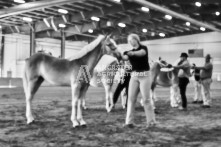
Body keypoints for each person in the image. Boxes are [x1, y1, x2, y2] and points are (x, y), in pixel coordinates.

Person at [122, 34, 156, 128]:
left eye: (131, 40)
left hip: (145, 75)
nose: (130, 42)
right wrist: (118, 54)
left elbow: (141, 53)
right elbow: (124, 58)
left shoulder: (143, 48)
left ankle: (151, 122)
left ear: (136, 39)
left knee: (146, 99)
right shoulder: (129, 52)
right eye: (128, 41)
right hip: (134, 76)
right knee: (131, 99)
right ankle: (129, 122)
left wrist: (131, 54)